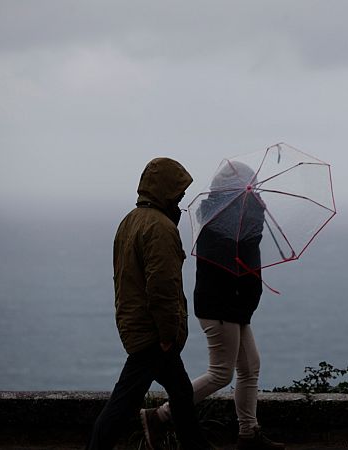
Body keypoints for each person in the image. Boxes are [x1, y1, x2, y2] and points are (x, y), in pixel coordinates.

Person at [140, 161, 284, 450]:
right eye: (251, 185)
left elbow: (246, 259)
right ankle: (159, 416)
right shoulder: (222, 220)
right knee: (221, 373)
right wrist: (255, 214)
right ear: (237, 189)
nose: (254, 189)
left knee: (249, 366)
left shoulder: (230, 215)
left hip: (232, 306)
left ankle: (248, 434)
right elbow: (240, 263)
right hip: (220, 307)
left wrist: (254, 213)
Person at [87, 158, 212, 450]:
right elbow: (162, 288)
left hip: (136, 324)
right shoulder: (161, 228)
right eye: (178, 196)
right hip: (154, 334)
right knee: (122, 404)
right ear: (166, 192)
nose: (181, 203)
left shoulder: (130, 221)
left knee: (180, 392)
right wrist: (168, 335)